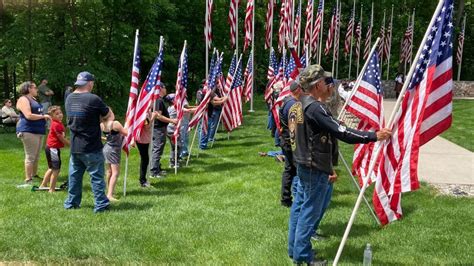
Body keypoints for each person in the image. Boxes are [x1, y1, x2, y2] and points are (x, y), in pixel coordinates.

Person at [287, 65, 392, 265]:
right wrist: (374, 136)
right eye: (327, 82)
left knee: (300, 209)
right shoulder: (314, 108)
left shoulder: (296, 105)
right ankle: (303, 255)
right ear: (318, 85)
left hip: (302, 165)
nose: (330, 86)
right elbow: (343, 132)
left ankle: (295, 250)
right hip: (313, 167)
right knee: (310, 212)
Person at [64, 71, 111, 213]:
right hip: (91, 145)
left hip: (75, 145)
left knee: (74, 177)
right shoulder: (93, 99)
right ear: (90, 83)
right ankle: (101, 205)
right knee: (96, 177)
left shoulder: (69, 98)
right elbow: (107, 114)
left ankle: (72, 203)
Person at [16, 81, 50, 184]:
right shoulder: (23, 99)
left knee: (37, 155)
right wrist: (43, 116)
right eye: (34, 87)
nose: (37, 89)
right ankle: (28, 179)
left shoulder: (34, 99)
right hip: (29, 130)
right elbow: (28, 115)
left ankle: (34, 175)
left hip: (38, 130)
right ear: (28, 89)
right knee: (30, 156)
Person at [279, 81, 303, 208]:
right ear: (298, 90)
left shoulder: (287, 101)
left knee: (290, 169)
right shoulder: (293, 105)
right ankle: (293, 197)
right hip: (291, 141)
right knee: (297, 170)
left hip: (286, 139)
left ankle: (286, 198)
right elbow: (296, 127)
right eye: (303, 89)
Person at [150, 83, 177, 178]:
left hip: (159, 128)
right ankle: (154, 171)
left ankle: (157, 168)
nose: (166, 89)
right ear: (160, 88)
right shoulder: (158, 100)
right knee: (157, 149)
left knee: (158, 148)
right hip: (158, 128)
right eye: (165, 87)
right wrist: (171, 120)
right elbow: (158, 116)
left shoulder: (158, 100)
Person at [39, 105, 69, 192]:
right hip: (53, 149)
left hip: (52, 148)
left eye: (60, 113)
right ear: (52, 117)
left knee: (52, 167)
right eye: (56, 114)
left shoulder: (58, 123)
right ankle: (51, 189)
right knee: (56, 169)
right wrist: (69, 144)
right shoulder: (56, 124)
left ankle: (43, 184)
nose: (60, 115)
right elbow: (61, 138)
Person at [101, 108, 127, 202]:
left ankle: (109, 191)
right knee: (115, 173)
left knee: (109, 172)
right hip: (113, 150)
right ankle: (110, 195)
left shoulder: (102, 124)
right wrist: (129, 125)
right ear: (109, 114)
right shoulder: (115, 123)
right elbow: (126, 133)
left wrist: (106, 138)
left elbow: (104, 136)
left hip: (106, 148)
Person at [199, 84, 227, 149]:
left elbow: (215, 100)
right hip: (206, 115)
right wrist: (223, 100)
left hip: (209, 114)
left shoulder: (209, 94)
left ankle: (204, 144)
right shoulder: (204, 94)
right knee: (204, 130)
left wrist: (223, 99)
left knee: (207, 129)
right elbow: (214, 102)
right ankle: (202, 145)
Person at [135, 109, 157, 187]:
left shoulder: (146, 112)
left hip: (144, 138)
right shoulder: (144, 114)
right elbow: (147, 126)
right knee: (145, 159)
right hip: (142, 140)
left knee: (145, 159)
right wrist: (153, 117)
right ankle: (142, 180)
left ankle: (143, 179)